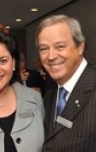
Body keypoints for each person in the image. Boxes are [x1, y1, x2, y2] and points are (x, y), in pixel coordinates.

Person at [35, 14, 96, 151]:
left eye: (60, 46)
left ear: (80, 47)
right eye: (44, 49)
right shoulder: (49, 97)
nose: (51, 56)